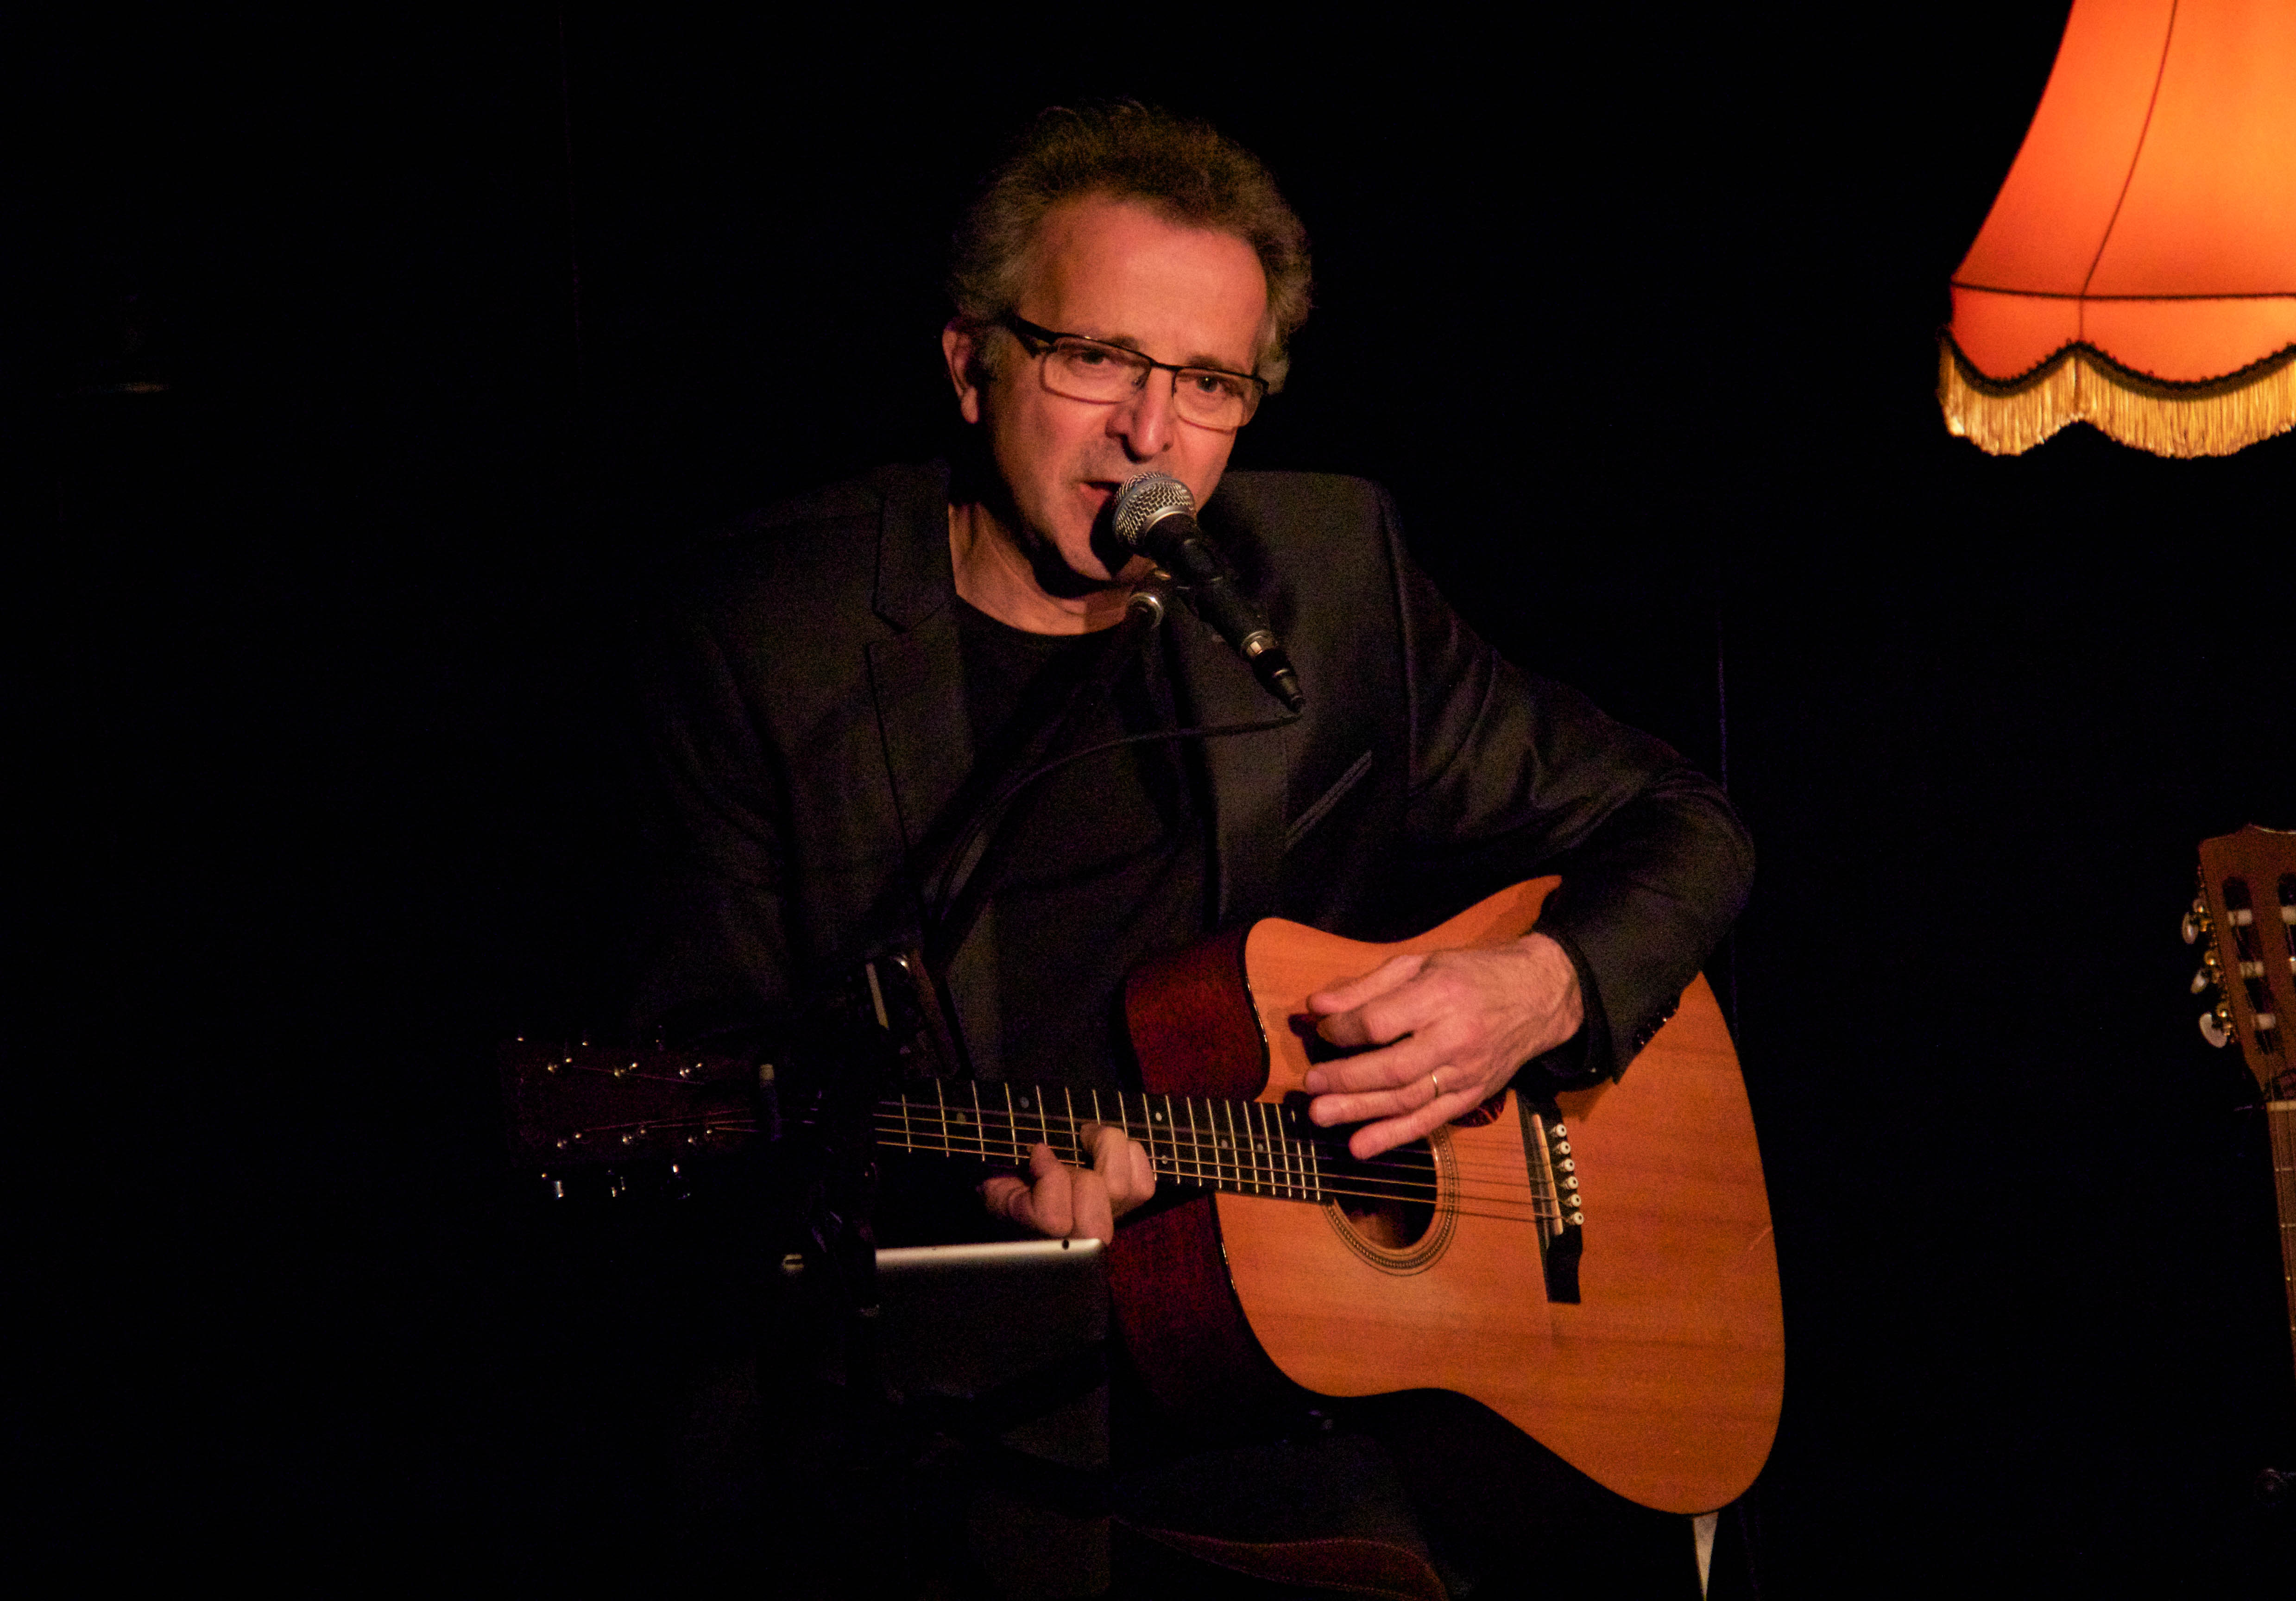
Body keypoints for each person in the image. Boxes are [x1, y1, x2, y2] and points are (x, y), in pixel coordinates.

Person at [635, 103, 1751, 1598]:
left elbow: (1686, 826)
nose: (1150, 438)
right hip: (916, 1380)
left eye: (1210, 383)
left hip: (1270, 1359)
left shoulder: (1328, 576)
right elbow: (705, 1116)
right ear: (974, 366)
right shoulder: (771, 638)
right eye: (1096, 359)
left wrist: (1542, 990)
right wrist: (988, 1248)